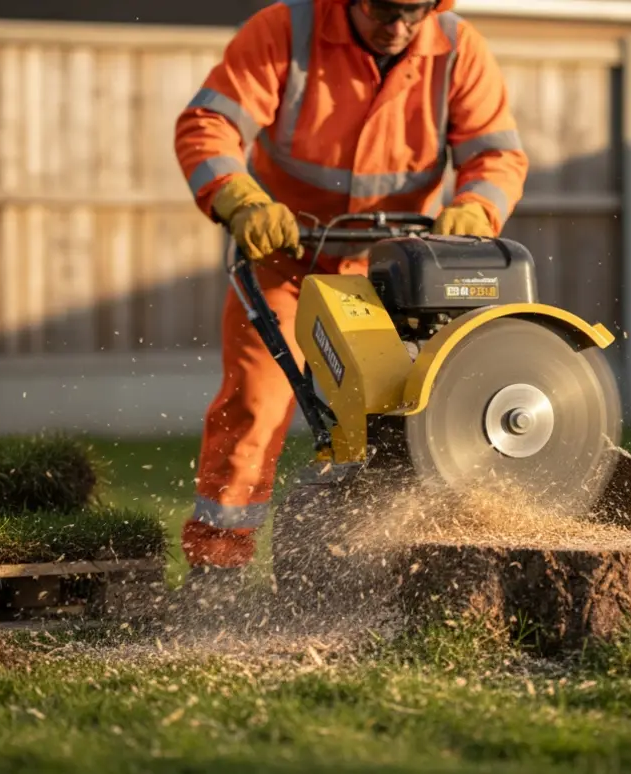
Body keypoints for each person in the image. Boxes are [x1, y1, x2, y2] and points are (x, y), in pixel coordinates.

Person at [172, 0, 529, 582]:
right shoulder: (286, 31)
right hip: (283, 255)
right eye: (382, 8)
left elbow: (497, 155)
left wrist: (475, 206)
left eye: (412, 11)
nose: (397, 26)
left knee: (398, 411)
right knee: (254, 406)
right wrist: (240, 198)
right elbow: (208, 125)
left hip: (392, 271)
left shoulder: (459, 50)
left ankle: (394, 566)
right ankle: (216, 572)